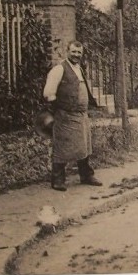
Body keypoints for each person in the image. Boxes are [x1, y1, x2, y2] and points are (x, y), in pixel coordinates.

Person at [43, 40, 103, 191]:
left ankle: (86, 175)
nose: (76, 55)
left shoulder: (79, 68)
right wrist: (59, 109)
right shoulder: (59, 69)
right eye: (73, 52)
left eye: (79, 53)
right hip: (65, 115)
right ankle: (57, 179)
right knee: (63, 146)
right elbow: (48, 92)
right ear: (67, 52)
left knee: (83, 145)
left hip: (81, 115)